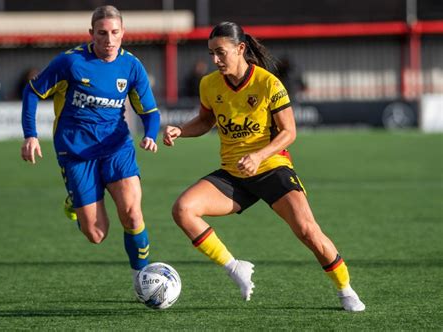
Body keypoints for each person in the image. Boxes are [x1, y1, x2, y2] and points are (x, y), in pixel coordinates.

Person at [163, 21, 365, 312]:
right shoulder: (209, 85)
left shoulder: (268, 82)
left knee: (308, 231)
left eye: (221, 53)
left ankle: (346, 290)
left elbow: (289, 132)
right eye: (211, 54)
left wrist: (258, 156)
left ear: (240, 48)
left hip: (272, 168)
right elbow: (206, 121)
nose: (215, 60)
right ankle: (235, 268)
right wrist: (181, 130)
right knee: (182, 209)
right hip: (234, 175)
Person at [20, 5, 160, 286]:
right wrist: (30, 134)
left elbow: (150, 112)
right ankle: (74, 202)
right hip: (76, 152)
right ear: (91, 34)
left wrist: (150, 134)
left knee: (133, 213)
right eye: (102, 33)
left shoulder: (131, 66)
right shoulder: (70, 63)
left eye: (115, 33)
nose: (109, 40)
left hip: (116, 147)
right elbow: (32, 92)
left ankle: (142, 278)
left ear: (123, 33)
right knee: (97, 235)